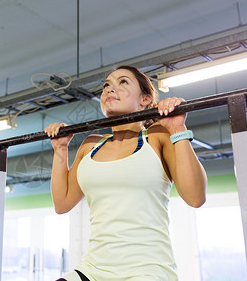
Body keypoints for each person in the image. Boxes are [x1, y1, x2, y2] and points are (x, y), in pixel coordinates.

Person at [45, 65, 207, 281]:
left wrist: (177, 129)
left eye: (123, 82)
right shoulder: (90, 144)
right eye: (106, 85)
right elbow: (62, 203)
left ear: (145, 99)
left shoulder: (157, 136)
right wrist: (60, 149)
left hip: (147, 271)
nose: (110, 89)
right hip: (93, 271)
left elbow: (195, 197)